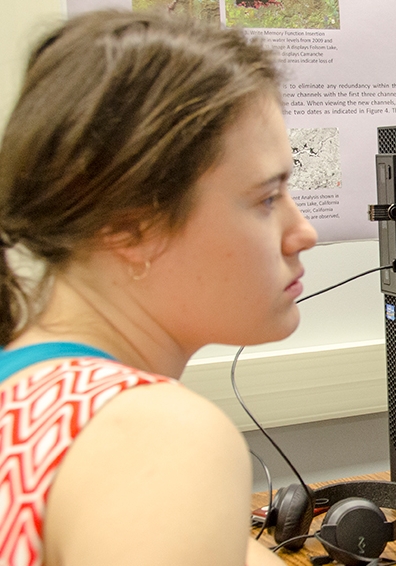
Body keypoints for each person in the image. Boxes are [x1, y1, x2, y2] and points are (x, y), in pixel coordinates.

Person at [0, 10, 317, 566]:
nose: (303, 233)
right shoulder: (155, 438)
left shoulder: (31, 389)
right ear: (128, 226)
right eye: (267, 199)